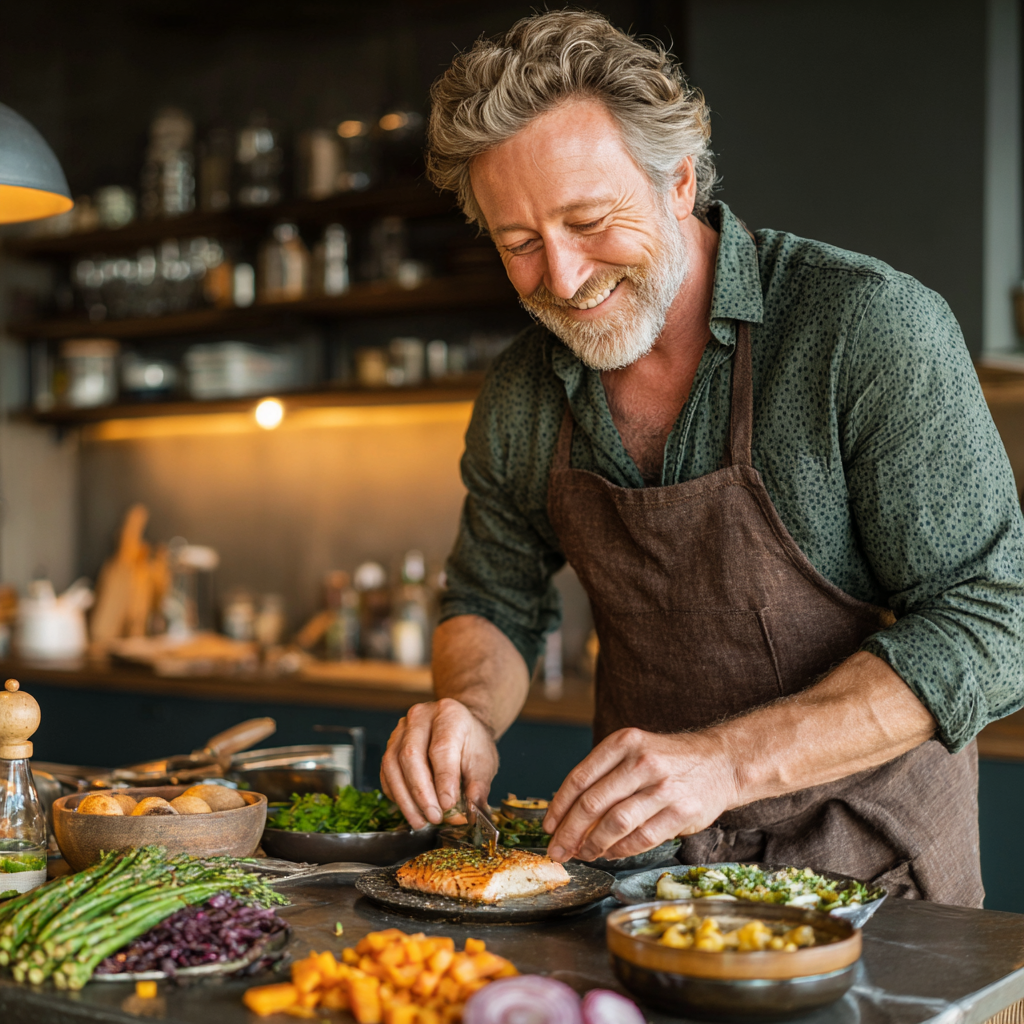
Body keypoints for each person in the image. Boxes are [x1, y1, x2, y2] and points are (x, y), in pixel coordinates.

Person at [380, 9, 1024, 906]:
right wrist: (468, 711)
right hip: (647, 877)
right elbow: (492, 595)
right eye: (519, 244)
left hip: (874, 872)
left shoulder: (865, 329)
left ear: (678, 180)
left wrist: (724, 762)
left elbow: (997, 620)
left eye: (591, 220)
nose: (562, 279)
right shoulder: (523, 391)